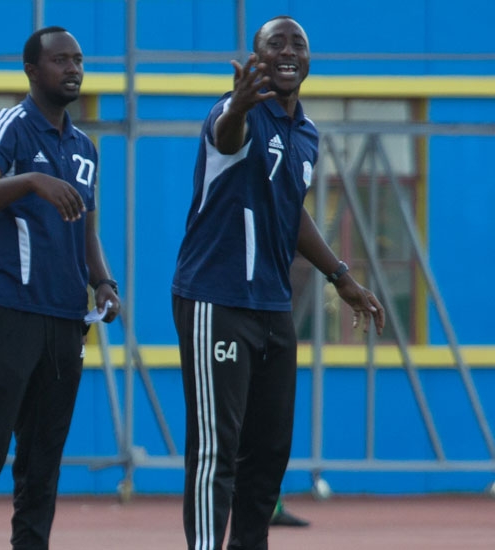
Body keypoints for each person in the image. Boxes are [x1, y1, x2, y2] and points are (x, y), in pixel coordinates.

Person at [170, 16, 385, 550]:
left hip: (272, 305)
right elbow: (228, 134)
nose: (288, 51)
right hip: (215, 299)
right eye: (275, 44)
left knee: (268, 452)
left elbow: (292, 214)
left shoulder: (306, 134)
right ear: (257, 57)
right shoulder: (232, 111)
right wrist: (241, 103)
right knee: (216, 449)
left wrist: (340, 276)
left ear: (308, 60)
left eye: (298, 44)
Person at [0, 26, 120, 550]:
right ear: (32, 70)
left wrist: (102, 281)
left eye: (79, 60)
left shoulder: (84, 146)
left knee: (42, 464)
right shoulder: (9, 127)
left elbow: (85, 226)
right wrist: (30, 181)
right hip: (4, 310)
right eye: (60, 60)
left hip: (65, 319)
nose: (73, 69)